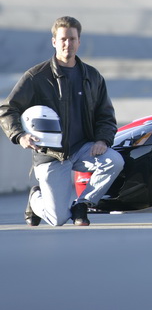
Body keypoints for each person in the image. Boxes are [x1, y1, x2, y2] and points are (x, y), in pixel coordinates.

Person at [0, 16, 124, 226]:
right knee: (57, 219)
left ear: (79, 41)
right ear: (54, 41)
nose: (68, 44)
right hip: (51, 155)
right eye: (63, 39)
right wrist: (20, 136)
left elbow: (106, 116)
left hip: (83, 149)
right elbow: (7, 109)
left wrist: (102, 140)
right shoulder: (36, 77)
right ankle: (35, 199)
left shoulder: (92, 77)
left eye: (72, 39)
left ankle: (82, 204)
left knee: (114, 160)